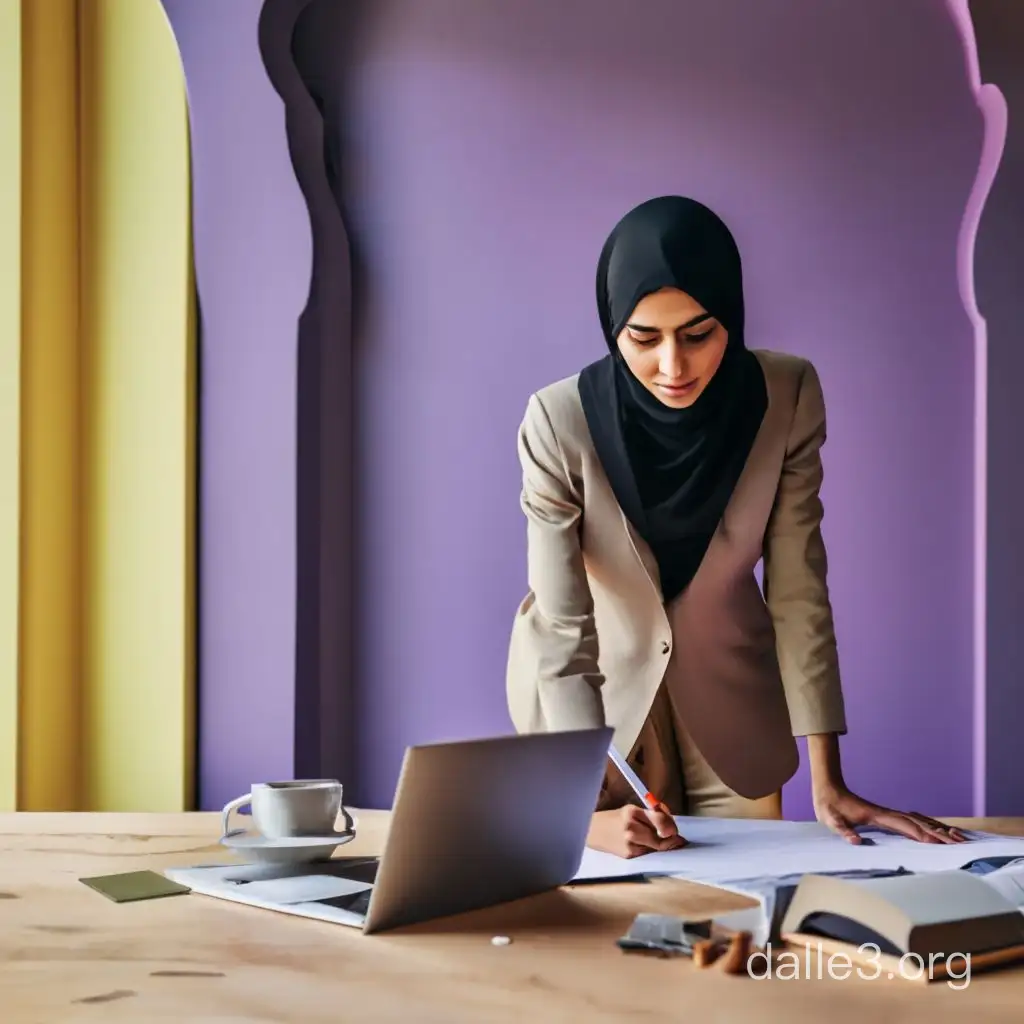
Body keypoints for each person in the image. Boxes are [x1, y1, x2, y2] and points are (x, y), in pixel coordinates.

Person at [505, 195, 966, 859]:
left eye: (698, 333)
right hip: (594, 709)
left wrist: (828, 780)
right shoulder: (557, 422)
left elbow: (798, 589)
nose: (673, 366)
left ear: (733, 315)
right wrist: (575, 810)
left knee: (745, 907)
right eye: (643, 337)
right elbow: (562, 625)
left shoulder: (788, 395)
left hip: (731, 705)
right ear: (612, 327)